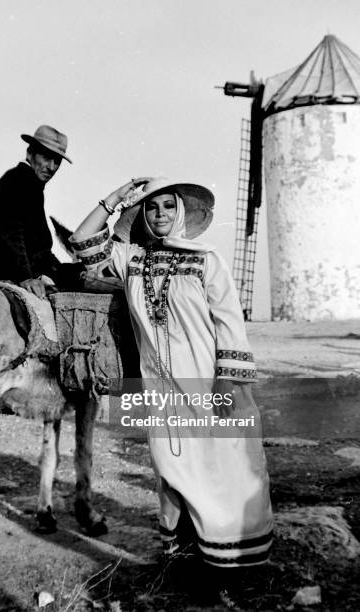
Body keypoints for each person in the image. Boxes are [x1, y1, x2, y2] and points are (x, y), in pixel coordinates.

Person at [70, 177, 273, 600]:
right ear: (141, 216)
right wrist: (116, 197)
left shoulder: (207, 260)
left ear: (179, 213)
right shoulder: (132, 260)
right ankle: (187, 567)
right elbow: (82, 241)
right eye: (151, 208)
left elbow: (229, 323)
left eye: (167, 206)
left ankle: (233, 568)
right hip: (161, 390)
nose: (159, 215)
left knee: (225, 469)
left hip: (211, 383)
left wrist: (228, 380)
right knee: (174, 471)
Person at [0, 125, 82, 297]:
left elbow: (40, 253)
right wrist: (25, 277)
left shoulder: (22, 182)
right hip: (4, 277)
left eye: (57, 161)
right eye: (46, 157)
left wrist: (76, 271)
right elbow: (11, 232)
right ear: (29, 154)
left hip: (3, 274)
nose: (52, 167)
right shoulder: (23, 180)